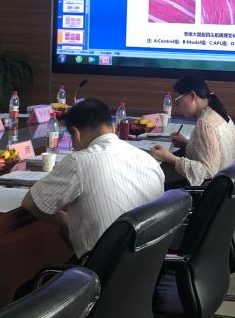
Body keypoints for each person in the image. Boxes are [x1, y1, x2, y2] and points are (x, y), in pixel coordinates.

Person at [22, 98, 164, 258]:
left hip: (103, 266)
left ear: (76, 133)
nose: (73, 146)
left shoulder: (79, 161)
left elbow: (30, 203)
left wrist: (65, 220)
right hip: (149, 261)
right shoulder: (148, 159)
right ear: (112, 126)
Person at [148, 75, 235, 187]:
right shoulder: (220, 114)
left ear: (192, 96)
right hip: (229, 187)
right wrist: (187, 143)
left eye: (178, 100)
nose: (178, 106)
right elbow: (212, 153)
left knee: (155, 186)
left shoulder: (205, 123)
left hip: (211, 191)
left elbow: (207, 173)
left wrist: (169, 157)